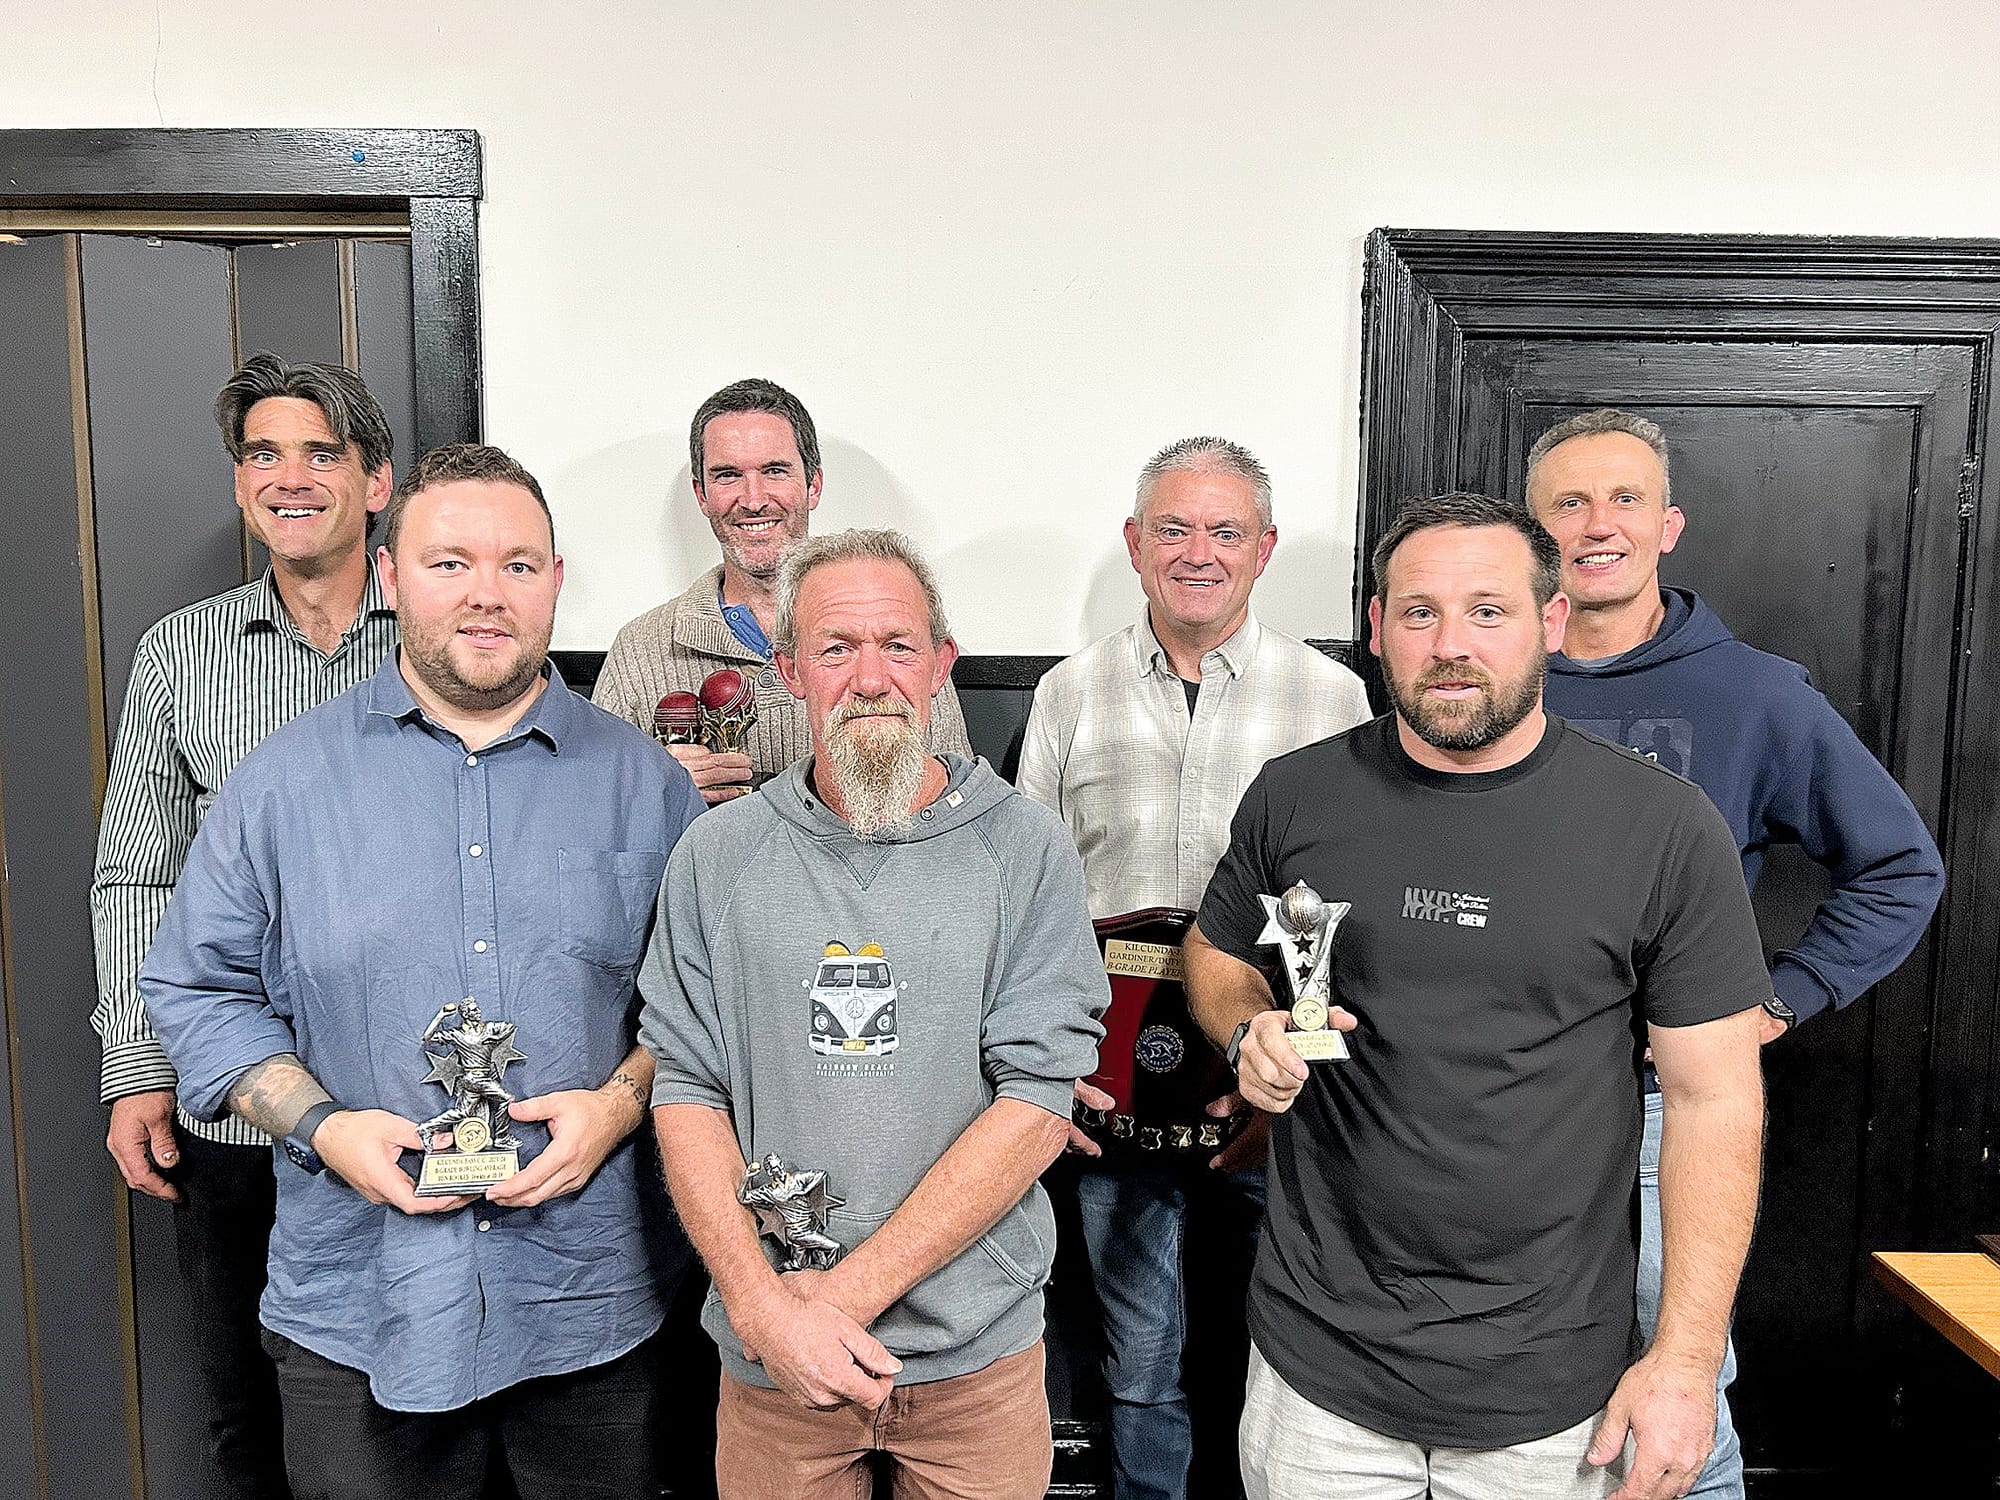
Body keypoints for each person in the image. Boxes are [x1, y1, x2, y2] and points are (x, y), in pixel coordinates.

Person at [140, 444, 701, 1500]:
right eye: (450, 564)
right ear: (392, 579)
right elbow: (193, 987)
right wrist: (321, 1125)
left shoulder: (644, 786)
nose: (487, 595)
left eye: (518, 566)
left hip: (589, 1303)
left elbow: (699, 1007)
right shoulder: (283, 785)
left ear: (555, 581)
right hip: (362, 1304)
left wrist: (620, 1108)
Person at [1186, 492, 1770, 1500]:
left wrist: (1681, 1365)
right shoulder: (1295, 794)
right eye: (1416, 613)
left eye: (1487, 611)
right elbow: (1214, 950)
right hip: (1315, 1374)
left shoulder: (1661, 829)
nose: (1448, 645)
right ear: (1374, 629)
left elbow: (1715, 1103)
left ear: (1550, 622)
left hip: (1551, 1395)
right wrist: (1247, 1029)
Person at [1526, 408, 1946, 1498]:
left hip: (1668, 1109)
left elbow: (1900, 866)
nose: (1595, 523)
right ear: (1533, 533)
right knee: (1528, 1379)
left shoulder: (1752, 693)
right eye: (1566, 501)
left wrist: (1780, 999)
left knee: (1676, 1379)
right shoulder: (1488, 674)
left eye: (1622, 499)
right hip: (1499, 1100)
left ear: (1666, 525)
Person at [640, 527, 1108, 1499]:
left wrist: (825, 1307)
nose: (869, 676)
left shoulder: (1026, 852)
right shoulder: (715, 858)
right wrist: (764, 1315)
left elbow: (1033, 1104)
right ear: (787, 672)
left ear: (939, 666)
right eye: (835, 648)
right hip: (774, 1375)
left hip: (972, 1363)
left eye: (897, 645)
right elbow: (687, 1093)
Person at [1015, 436, 1369, 1500]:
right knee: (1137, 1366)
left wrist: (1290, 1080)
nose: (1197, 552)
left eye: (1224, 531)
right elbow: (1026, 895)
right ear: (1134, 544)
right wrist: (1047, 1068)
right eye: (1172, 528)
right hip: (1114, 1084)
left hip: (1280, 1079)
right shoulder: (1067, 694)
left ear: (1262, 549)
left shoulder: (1334, 699)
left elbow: (1351, 924)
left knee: (1292, 1357)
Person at [89, 352, 400, 1499]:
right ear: (238, 485)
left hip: (403, 1105)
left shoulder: (440, 640)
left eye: (322, 453)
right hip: (234, 1110)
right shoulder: (180, 654)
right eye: (263, 454)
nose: (290, 477)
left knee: (408, 1408)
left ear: (376, 484)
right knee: (248, 1415)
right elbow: (135, 878)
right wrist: (135, 1068)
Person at [594, 377, 970, 801]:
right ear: (701, 495)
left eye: (774, 471)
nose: (753, 499)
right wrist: (657, 788)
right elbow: (603, 819)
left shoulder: (900, 639)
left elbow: (955, 803)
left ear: (813, 485)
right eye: (727, 476)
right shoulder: (641, 650)